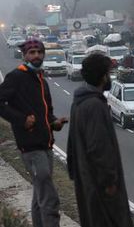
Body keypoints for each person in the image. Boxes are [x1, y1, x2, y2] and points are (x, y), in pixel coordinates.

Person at [0, 39, 68, 227]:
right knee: (49, 197)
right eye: (32, 52)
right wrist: (22, 120)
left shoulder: (41, 81)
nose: (36, 55)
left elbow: (47, 112)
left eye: (39, 52)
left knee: (40, 195)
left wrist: (54, 123)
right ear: (24, 55)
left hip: (46, 144)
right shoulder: (16, 77)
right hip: (30, 147)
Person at [67, 53, 133, 227]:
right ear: (102, 76)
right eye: (108, 73)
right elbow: (99, 147)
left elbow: (72, 145)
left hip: (87, 181)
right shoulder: (94, 105)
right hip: (101, 187)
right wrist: (109, 181)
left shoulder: (79, 102)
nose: (109, 77)